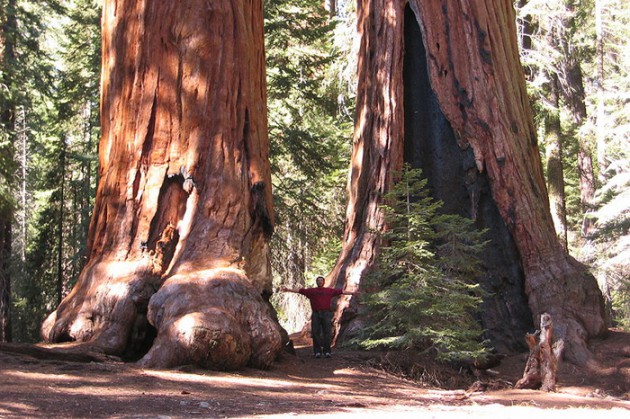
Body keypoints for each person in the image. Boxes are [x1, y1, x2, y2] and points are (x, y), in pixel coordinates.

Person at [280, 276, 357, 358]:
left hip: (326, 313)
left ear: (323, 282)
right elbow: (300, 291)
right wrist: (288, 290)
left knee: (327, 332)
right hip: (316, 314)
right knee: (315, 332)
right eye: (318, 280)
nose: (320, 282)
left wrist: (352, 293)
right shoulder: (311, 291)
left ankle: (327, 352)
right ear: (316, 282)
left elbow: (341, 291)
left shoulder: (329, 291)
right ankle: (317, 352)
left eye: (321, 280)